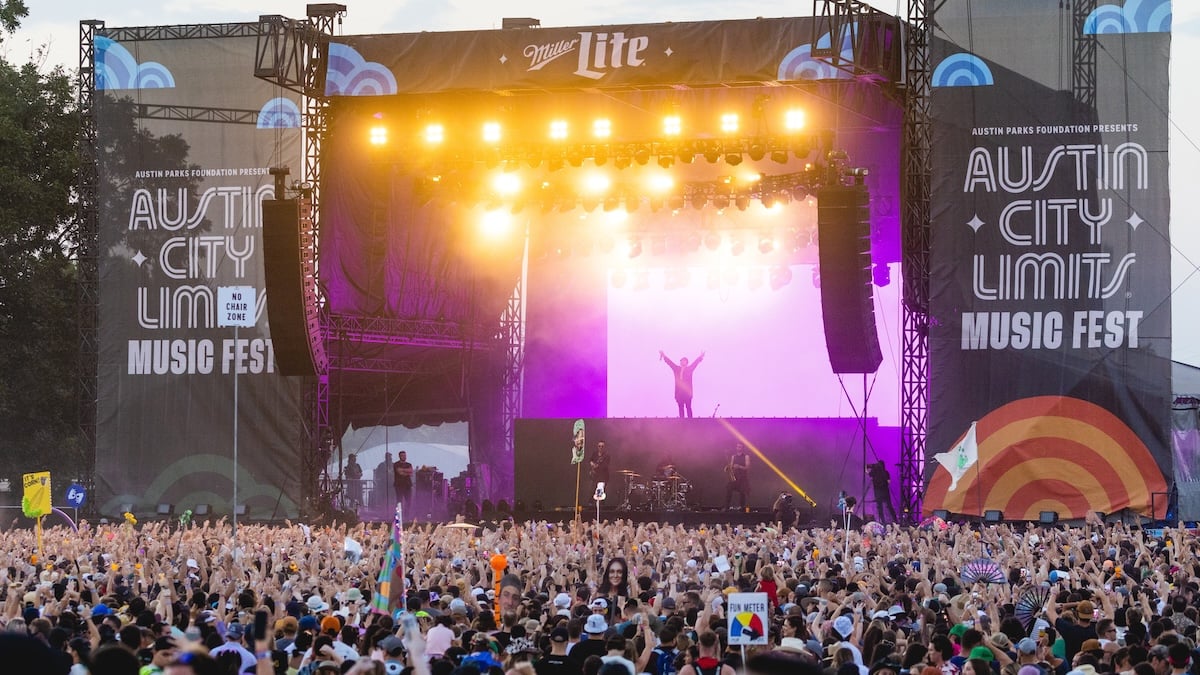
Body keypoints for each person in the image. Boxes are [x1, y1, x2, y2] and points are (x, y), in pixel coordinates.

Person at [659, 350, 704, 418]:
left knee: (688, 407)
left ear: (687, 363)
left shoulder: (689, 369)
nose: (682, 362)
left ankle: (690, 421)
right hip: (679, 392)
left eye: (684, 361)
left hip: (687, 392)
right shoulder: (677, 369)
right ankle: (682, 421)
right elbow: (670, 363)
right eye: (681, 361)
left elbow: (695, 363)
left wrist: (700, 357)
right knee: (680, 408)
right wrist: (664, 356)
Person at [724, 443, 750, 510]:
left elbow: (747, 467)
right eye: (738, 447)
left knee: (742, 492)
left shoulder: (746, 456)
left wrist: (739, 466)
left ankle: (742, 507)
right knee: (729, 488)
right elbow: (732, 465)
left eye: (740, 447)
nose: (739, 448)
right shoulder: (733, 456)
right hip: (735, 477)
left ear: (742, 448)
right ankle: (726, 506)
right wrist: (727, 467)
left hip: (743, 477)